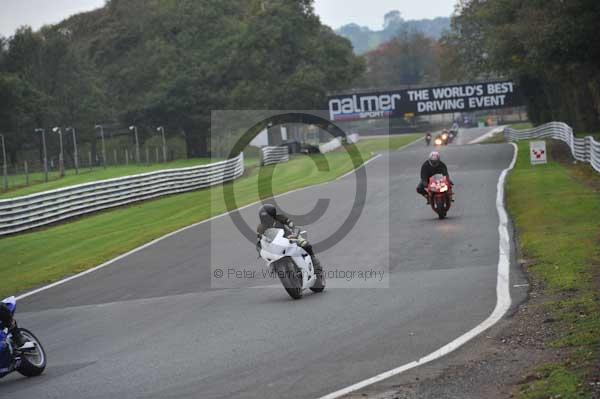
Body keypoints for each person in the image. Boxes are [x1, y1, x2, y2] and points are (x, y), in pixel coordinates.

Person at [256, 204, 323, 277]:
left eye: (267, 217)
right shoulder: (261, 227)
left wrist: (294, 230)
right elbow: (260, 240)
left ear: (273, 214)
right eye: (264, 218)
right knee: (270, 258)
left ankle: (315, 263)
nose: (266, 219)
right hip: (275, 244)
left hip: (289, 237)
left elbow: (291, 224)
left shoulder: (280, 218)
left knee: (305, 245)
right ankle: (277, 267)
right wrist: (260, 250)